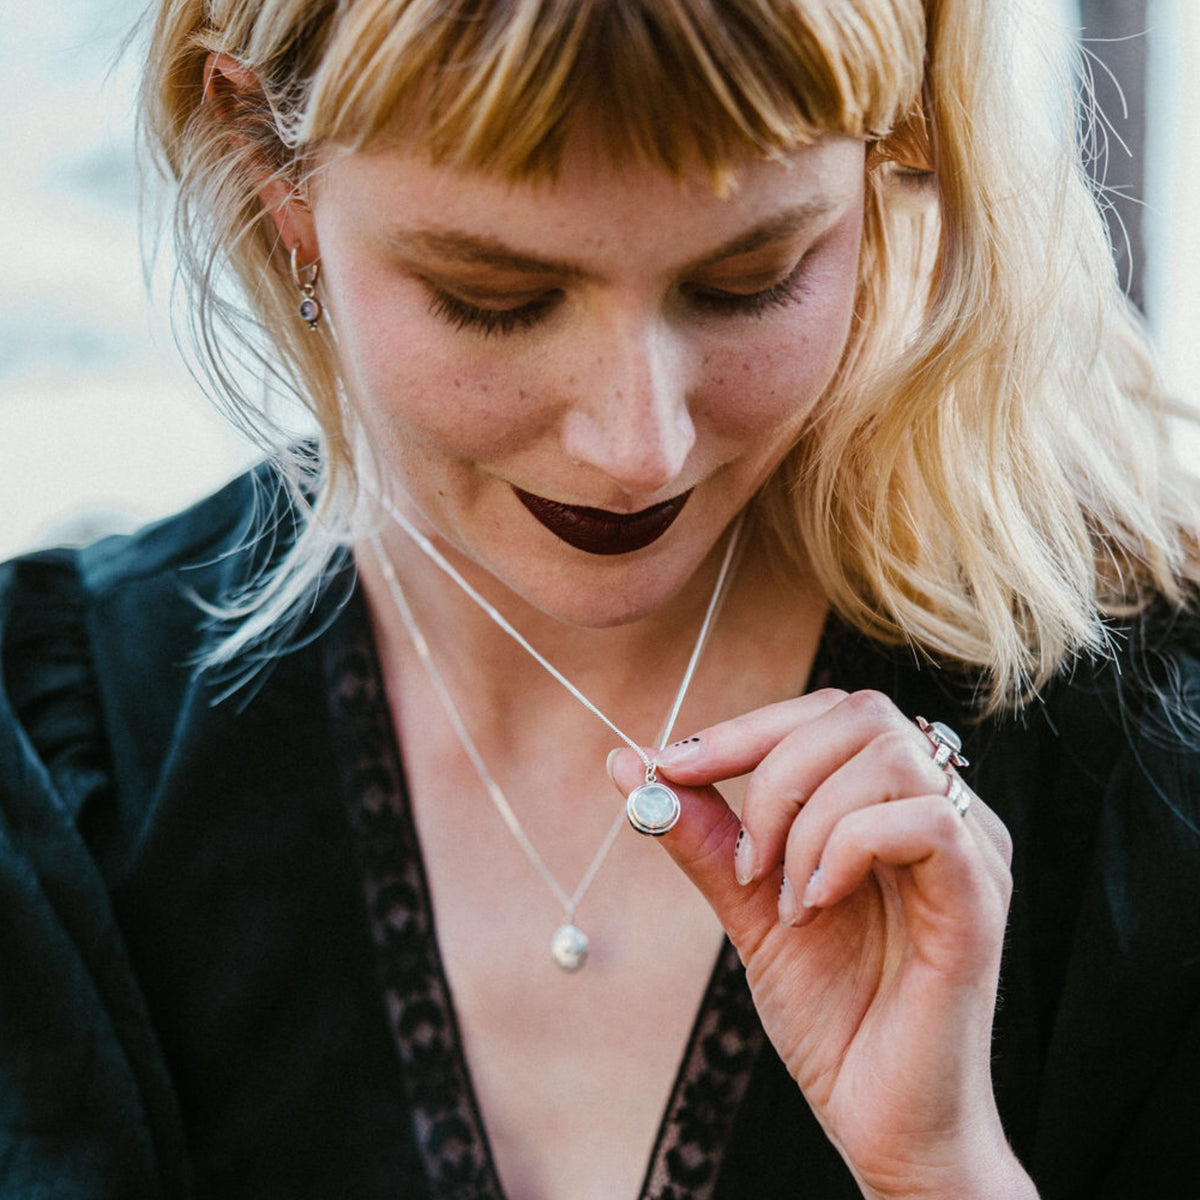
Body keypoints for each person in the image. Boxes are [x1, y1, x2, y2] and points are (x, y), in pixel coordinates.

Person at [1, 0, 1198, 1196]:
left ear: (896, 163)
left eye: (749, 280)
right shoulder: (63, 778)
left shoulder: (1142, 758)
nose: (639, 443)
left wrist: (943, 1173)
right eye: (496, 296)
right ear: (272, 167)